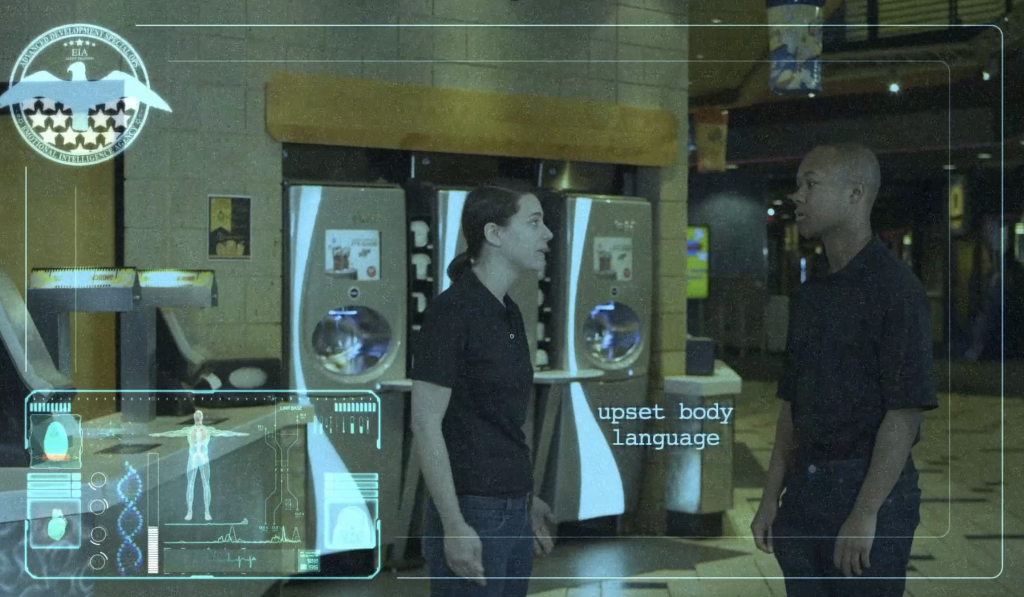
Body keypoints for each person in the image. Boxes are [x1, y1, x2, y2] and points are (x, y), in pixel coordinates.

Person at [750, 144, 938, 596]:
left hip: (864, 489)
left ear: (855, 194)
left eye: (810, 185)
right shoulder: (813, 293)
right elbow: (792, 405)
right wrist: (770, 497)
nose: (797, 197)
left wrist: (865, 511)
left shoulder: (897, 292)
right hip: (805, 494)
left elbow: (905, 412)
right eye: (798, 185)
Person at [410, 185, 556, 596]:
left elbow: (500, 421)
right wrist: (453, 524)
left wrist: (525, 496)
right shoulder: (451, 311)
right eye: (534, 222)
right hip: (472, 510)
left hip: (511, 509)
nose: (547, 234)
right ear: (494, 234)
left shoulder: (508, 312)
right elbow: (425, 424)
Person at [150, 409, 249, 521]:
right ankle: (190, 511)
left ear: (200, 418)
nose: (197, 418)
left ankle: (206, 511)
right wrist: (159, 434)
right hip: (193, 457)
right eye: (196, 416)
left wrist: (240, 433)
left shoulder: (207, 430)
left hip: (203, 457)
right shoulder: (189, 430)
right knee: (191, 484)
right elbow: (173, 433)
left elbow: (224, 433)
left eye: (199, 416)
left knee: (205, 484)